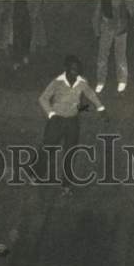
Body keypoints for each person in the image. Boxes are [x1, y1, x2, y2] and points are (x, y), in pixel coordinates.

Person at [36, 55, 107, 191]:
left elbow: (90, 94)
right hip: (56, 121)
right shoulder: (57, 82)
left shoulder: (82, 81)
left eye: (78, 70)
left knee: (70, 152)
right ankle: (37, 173)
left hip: (73, 122)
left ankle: (67, 184)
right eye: (73, 69)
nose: (75, 72)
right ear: (66, 69)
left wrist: (101, 108)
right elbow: (43, 98)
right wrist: (51, 114)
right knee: (47, 148)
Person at [92, 0, 134, 94]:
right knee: (102, 55)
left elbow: (132, 9)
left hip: (121, 27)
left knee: (120, 55)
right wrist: (97, 31)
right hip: (106, 27)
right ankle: (101, 81)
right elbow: (97, 12)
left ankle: (122, 80)